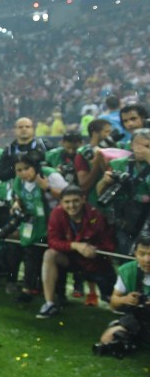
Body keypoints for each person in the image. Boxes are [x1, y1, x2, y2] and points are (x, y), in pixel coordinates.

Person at [38, 186, 116, 318]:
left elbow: (109, 245)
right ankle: (49, 304)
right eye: (67, 202)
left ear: (83, 200)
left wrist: (95, 250)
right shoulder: (56, 214)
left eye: (75, 201)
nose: (71, 205)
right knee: (49, 254)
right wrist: (75, 245)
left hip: (95, 262)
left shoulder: (95, 214)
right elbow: (52, 241)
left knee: (114, 303)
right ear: (61, 202)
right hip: (70, 258)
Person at [11, 151, 68, 302]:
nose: (23, 173)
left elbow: (69, 197)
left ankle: (59, 294)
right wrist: (17, 203)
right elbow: (18, 196)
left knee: (53, 258)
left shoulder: (51, 175)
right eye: (19, 170)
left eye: (26, 168)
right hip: (32, 224)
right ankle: (28, 289)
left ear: (35, 166)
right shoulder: (18, 181)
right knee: (30, 255)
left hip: (54, 224)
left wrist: (47, 187)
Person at [96, 127, 150, 256]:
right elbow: (100, 193)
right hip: (124, 217)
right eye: (141, 145)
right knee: (126, 254)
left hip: (147, 216)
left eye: (148, 146)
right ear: (131, 145)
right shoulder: (118, 163)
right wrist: (104, 181)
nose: (144, 149)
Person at [95, 233, 150, 358]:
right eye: (142, 254)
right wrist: (125, 299)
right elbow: (113, 304)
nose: (147, 260)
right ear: (135, 253)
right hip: (138, 320)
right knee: (106, 339)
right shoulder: (127, 271)